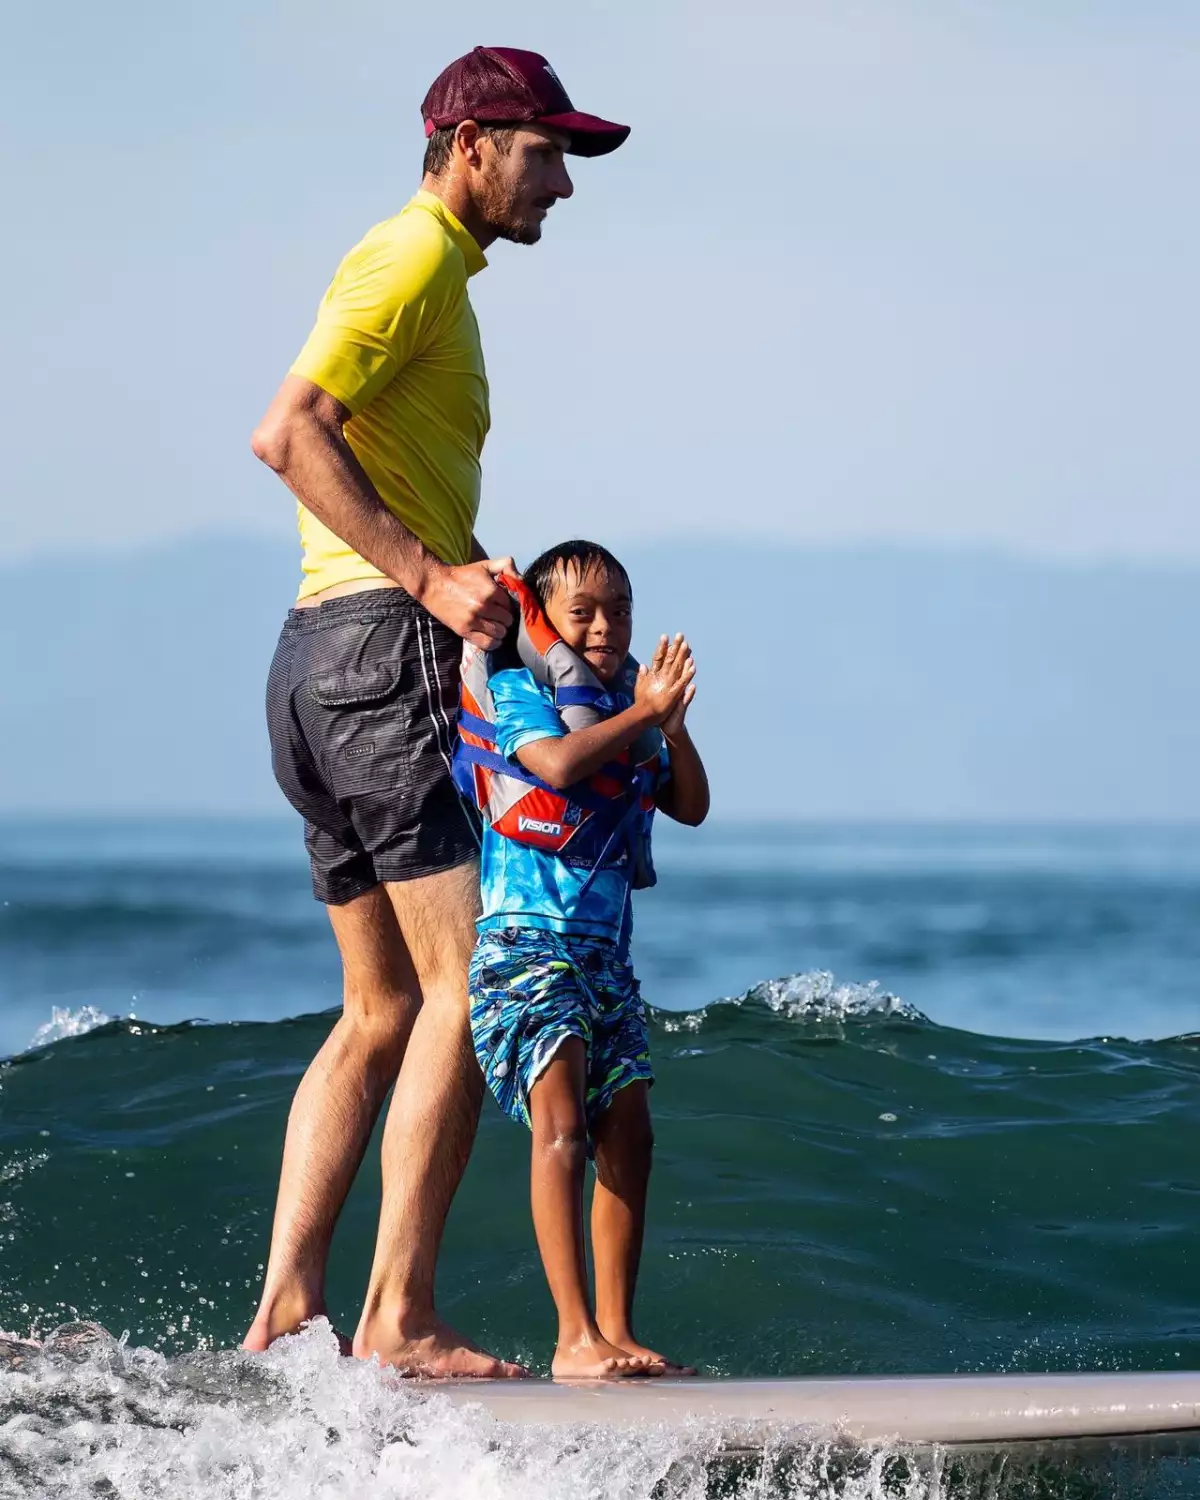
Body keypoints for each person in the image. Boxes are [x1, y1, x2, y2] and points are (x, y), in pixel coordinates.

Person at [243, 49, 630, 1375]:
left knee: (381, 1007)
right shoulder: (409, 257)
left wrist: (471, 577)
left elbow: (357, 456)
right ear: (470, 145)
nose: (562, 184)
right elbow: (288, 431)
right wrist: (425, 576)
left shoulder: (427, 274)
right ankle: (399, 1316)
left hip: (316, 661)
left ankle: (289, 1306)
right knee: (471, 984)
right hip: (379, 651)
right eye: (544, 152)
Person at [459, 541, 710, 1377]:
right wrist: (643, 715)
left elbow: (692, 806)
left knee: (630, 1137)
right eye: (584, 613)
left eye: (620, 611)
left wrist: (670, 727)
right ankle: (572, 1338)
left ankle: (616, 1330)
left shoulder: (626, 707)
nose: (605, 627)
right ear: (546, 621)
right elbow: (559, 765)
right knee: (562, 1129)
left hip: (606, 961)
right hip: (525, 949)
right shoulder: (518, 689)